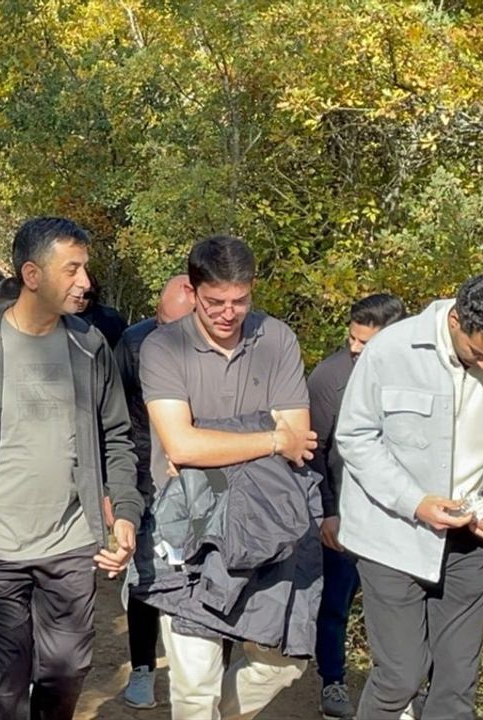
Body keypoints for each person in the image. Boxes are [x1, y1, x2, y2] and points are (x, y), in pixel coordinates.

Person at [0, 217, 142, 720]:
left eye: (86, 269)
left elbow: (117, 437)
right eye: (73, 269)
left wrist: (124, 509)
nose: (85, 281)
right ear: (33, 275)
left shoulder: (89, 346)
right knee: (6, 689)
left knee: (65, 669)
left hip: (69, 542)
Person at [139, 236, 318, 719]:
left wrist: (210, 446)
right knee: (195, 683)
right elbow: (180, 446)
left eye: (239, 300)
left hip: (267, 523)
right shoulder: (163, 346)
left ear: (252, 289)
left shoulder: (277, 338)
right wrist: (270, 438)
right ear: (192, 291)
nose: (228, 312)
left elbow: (298, 439)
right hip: (187, 527)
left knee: (282, 663)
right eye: (215, 301)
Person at [336, 272, 483, 719]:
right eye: (479, 354)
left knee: (455, 688)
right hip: (392, 535)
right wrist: (415, 501)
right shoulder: (390, 350)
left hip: (471, 540)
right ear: (455, 320)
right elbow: (355, 437)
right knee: (401, 676)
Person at [307, 293, 406, 719]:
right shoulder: (330, 378)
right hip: (344, 518)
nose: (354, 348)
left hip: (401, 518)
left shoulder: (417, 375)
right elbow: (313, 451)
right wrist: (327, 510)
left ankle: (396, 692)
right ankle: (332, 682)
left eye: (366, 343)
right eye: (352, 338)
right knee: (335, 603)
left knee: (399, 612)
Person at [110, 273, 195, 710]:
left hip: (200, 481)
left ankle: (195, 675)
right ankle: (142, 668)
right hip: (143, 475)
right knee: (144, 574)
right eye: (159, 319)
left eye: (173, 325)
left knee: (198, 579)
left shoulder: (219, 350)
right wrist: (118, 487)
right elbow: (115, 419)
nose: (163, 330)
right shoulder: (134, 342)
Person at [76, 276, 128, 348]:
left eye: (87, 295)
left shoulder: (111, 317)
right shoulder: (59, 318)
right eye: (76, 295)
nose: (81, 301)